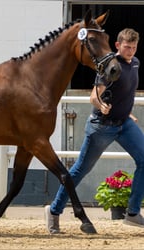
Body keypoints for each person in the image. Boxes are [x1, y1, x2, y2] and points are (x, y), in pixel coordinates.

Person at [45, 28, 144, 234]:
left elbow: (125, 92)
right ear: (118, 45)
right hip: (101, 126)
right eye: (127, 47)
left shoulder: (135, 63)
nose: (131, 51)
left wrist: (126, 112)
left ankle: (133, 213)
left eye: (134, 47)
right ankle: (54, 211)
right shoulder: (110, 67)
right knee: (80, 169)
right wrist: (102, 106)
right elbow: (93, 97)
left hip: (123, 124)